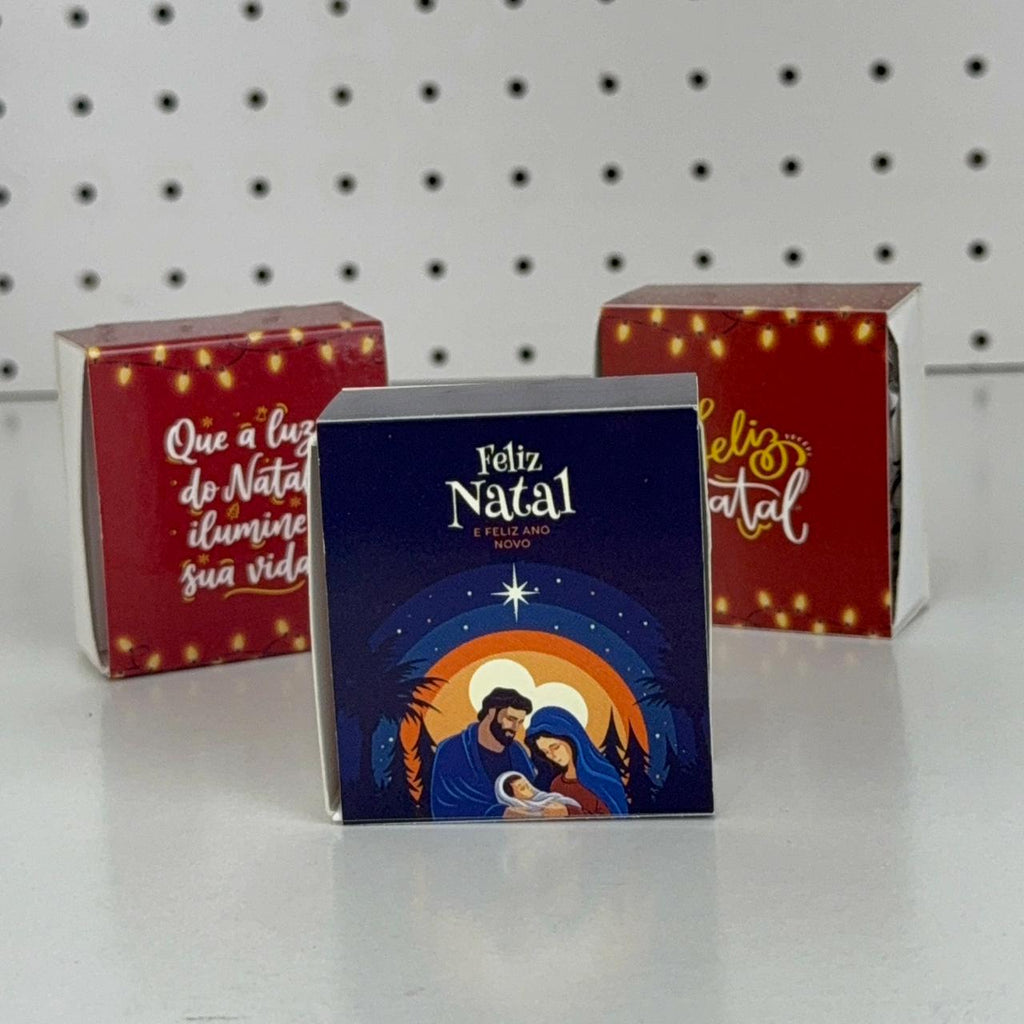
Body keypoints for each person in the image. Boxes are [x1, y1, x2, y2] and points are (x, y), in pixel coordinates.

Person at [431, 687, 539, 819]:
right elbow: (445, 807)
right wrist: (501, 814)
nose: (515, 728)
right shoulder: (452, 749)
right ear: (492, 712)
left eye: (520, 722)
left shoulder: (517, 752)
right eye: (511, 719)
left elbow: (534, 793)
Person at [525, 707, 629, 816]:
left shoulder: (604, 775)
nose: (552, 755)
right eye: (545, 752)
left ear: (572, 739)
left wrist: (569, 812)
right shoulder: (556, 785)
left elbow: (614, 819)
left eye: (555, 747)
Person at [493, 771, 581, 818]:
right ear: (511, 797)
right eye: (522, 788)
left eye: (527, 785)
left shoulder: (547, 797)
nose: (529, 789)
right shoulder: (515, 813)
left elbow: (578, 810)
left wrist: (566, 810)